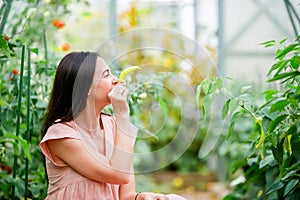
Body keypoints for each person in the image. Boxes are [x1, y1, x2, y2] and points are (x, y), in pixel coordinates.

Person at [40, 52, 186, 200]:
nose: (116, 80)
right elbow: (119, 175)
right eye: (106, 75)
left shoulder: (114, 127)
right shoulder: (61, 135)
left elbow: (126, 195)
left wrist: (145, 197)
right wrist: (122, 114)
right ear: (85, 88)